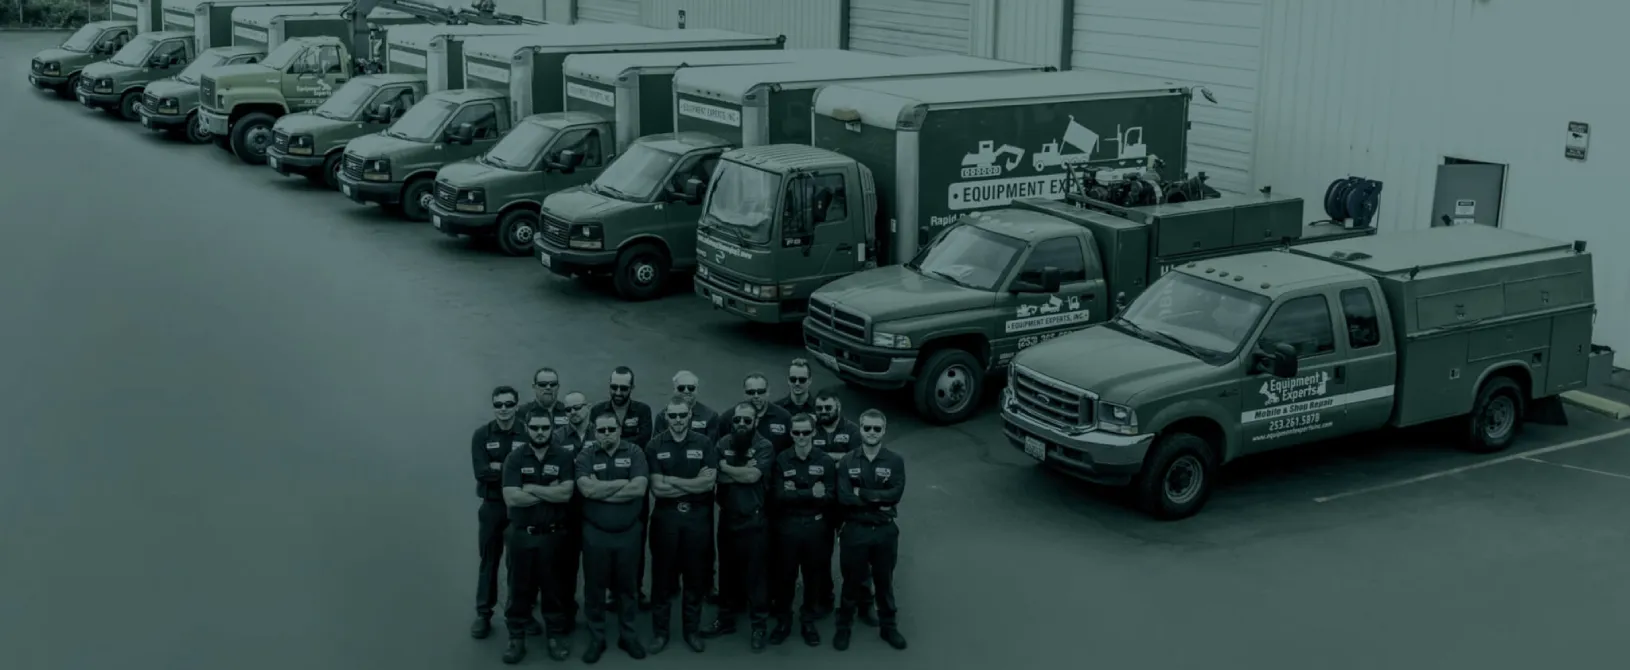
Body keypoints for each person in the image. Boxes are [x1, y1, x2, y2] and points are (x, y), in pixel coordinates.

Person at [499, 410, 578, 663]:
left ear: (552, 428)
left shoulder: (564, 456)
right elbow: (512, 497)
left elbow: (566, 494)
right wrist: (547, 490)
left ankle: (554, 636)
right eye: (535, 427)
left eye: (545, 427)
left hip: (554, 536)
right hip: (522, 536)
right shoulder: (515, 457)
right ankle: (516, 639)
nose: (540, 432)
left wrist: (530, 488)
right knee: (519, 588)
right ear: (527, 428)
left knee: (554, 588)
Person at [574, 411, 651, 663]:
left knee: (627, 589)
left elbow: (639, 488)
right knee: (594, 589)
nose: (606, 434)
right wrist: (622, 483)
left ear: (619, 430)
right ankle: (597, 637)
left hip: (628, 534)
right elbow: (585, 489)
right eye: (601, 430)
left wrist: (601, 490)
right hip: (595, 534)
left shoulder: (635, 453)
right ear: (595, 432)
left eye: (611, 429)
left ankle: (627, 636)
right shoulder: (586, 454)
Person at [645, 396, 719, 653]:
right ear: (666, 417)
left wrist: (672, 481)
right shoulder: (655, 445)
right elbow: (657, 489)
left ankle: (692, 631)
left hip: (697, 519)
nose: (678, 420)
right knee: (662, 579)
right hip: (666, 519)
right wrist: (691, 484)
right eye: (673, 416)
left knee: (695, 577)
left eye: (682, 415)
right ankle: (660, 633)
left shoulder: (704, 442)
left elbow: (708, 484)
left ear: (690, 416)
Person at [699, 402, 775, 652]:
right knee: (728, 572)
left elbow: (753, 477)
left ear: (755, 422)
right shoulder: (722, 444)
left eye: (747, 420)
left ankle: (759, 626)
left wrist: (727, 468)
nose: (741, 424)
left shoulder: (764, 446)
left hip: (754, 521)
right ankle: (726, 618)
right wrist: (738, 472)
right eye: (738, 420)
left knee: (756, 576)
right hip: (728, 518)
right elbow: (716, 478)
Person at [833, 409, 908, 651]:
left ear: (884, 431)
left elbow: (895, 495)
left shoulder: (895, 461)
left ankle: (889, 628)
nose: (872, 432)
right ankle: (843, 628)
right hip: (855, 530)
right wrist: (878, 500)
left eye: (877, 428)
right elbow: (844, 497)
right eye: (867, 428)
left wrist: (862, 493)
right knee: (851, 583)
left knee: (884, 581)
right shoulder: (847, 461)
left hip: (885, 531)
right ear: (861, 430)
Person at [769, 413, 838, 647]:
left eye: (805, 432)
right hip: (788, 527)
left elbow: (829, 496)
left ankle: (808, 620)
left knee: (813, 577)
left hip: (816, 528)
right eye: (796, 432)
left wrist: (795, 492)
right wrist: (810, 493)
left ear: (813, 433)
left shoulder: (825, 461)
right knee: (784, 577)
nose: (800, 437)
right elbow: (778, 496)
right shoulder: (782, 460)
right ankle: (783, 621)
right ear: (790, 434)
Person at [591, 366, 654, 609]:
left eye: (623, 387)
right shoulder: (597, 410)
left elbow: (644, 441)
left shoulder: (643, 410)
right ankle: (611, 591)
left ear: (632, 388)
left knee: (636, 539)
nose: (618, 392)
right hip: (604, 484)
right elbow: (595, 441)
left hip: (634, 483)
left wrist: (611, 442)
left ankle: (635, 588)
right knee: (607, 540)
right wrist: (623, 444)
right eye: (614, 386)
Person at [469, 386, 528, 640]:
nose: (503, 409)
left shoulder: (528, 431)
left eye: (508, 404)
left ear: (517, 405)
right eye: (498, 404)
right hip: (492, 506)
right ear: (493, 406)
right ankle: (484, 613)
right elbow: (481, 472)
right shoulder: (481, 435)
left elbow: (532, 470)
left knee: (519, 563)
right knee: (489, 561)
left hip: (520, 507)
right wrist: (513, 468)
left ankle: (520, 613)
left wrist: (500, 467)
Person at [811, 390, 874, 622]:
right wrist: (838, 459)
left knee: (858, 556)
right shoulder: (811, 430)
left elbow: (858, 461)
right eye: (819, 408)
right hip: (823, 504)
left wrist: (825, 459)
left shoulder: (853, 431)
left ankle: (865, 603)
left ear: (838, 407)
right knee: (820, 555)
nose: (824, 412)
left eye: (828, 408)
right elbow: (809, 458)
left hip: (850, 504)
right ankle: (824, 600)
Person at [551, 392, 596, 630]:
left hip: (595, 512)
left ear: (588, 406)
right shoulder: (557, 438)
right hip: (567, 514)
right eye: (567, 410)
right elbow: (553, 475)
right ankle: (566, 614)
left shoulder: (601, 433)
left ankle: (593, 616)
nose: (573, 413)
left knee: (595, 569)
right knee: (566, 568)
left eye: (577, 407)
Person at [743, 373, 794, 454]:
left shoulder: (784, 417)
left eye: (761, 391)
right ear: (745, 393)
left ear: (768, 391)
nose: (756, 396)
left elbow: (793, 449)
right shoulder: (732, 417)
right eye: (751, 392)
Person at [673, 370, 722, 441]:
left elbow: (711, 447)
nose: (686, 391)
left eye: (691, 388)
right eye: (681, 388)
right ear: (674, 390)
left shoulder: (710, 416)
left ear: (697, 390)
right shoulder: (663, 416)